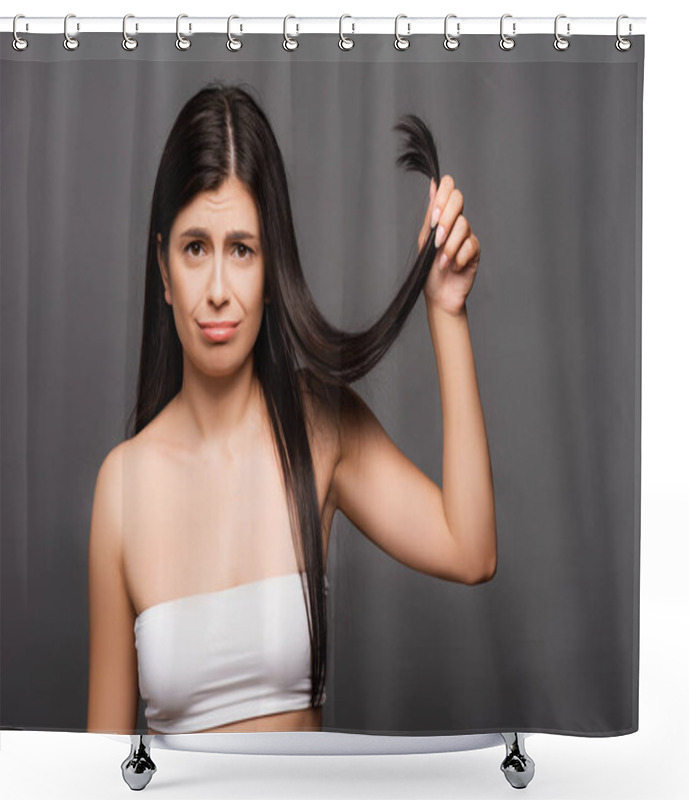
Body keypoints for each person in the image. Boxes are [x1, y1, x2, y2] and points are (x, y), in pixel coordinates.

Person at [86, 82, 496, 736]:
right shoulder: (123, 485)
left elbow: (471, 549)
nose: (218, 290)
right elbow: (98, 769)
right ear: (163, 272)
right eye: (196, 248)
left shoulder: (319, 427)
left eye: (241, 249)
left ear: (272, 267)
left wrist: (446, 312)